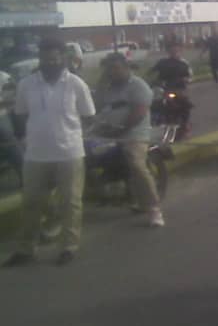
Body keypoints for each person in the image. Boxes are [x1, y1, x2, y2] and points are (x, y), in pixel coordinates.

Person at [4, 37, 95, 266]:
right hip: (36, 155)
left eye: (54, 58)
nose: (50, 62)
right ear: (40, 58)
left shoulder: (76, 84)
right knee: (31, 202)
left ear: (62, 57)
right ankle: (26, 249)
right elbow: (22, 114)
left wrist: (69, 135)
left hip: (70, 153)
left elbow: (88, 116)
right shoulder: (26, 84)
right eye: (45, 58)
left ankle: (68, 247)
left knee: (71, 202)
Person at [97, 53, 164, 227]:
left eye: (116, 68)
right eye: (108, 69)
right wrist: (100, 83)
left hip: (134, 134)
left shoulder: (138, 85)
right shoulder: (108, 87)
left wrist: (120, 130)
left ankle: (154, 209)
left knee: (136, 164)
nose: (112, 72)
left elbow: (139, 113)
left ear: (126, 68)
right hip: (106, 132)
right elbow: (95, 105)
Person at [147, 39, 194, 136]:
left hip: (178, 88)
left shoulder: (184, 63)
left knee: (185, 103)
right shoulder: (162, 62)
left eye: (176, 51)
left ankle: (185, 124)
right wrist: (148, 79)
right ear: (168, 52)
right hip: (164, 88)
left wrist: (187, 80)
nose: (174, 53)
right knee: (153, 103)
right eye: (172, 51)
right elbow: (152, 71)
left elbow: (190, 76)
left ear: (180, 51)